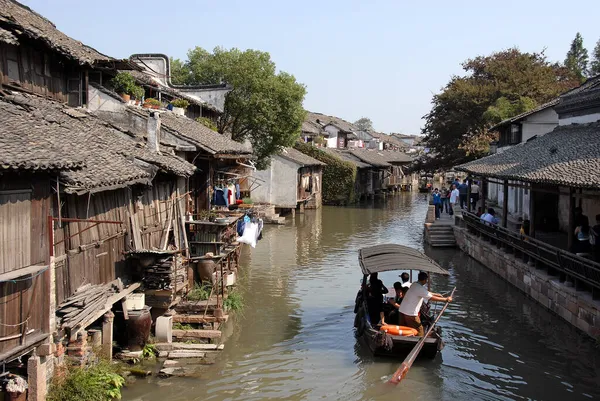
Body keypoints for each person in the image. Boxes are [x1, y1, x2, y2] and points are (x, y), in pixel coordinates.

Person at [398, 272, 452, 336]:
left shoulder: (414, 284)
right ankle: (420, 342)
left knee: (406, 327)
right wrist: (445, 299)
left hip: (402, 310)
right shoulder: (420, 288)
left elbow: (425, 292)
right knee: (420, 330)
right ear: (425, 280)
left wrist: (436, 294)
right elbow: (430, 298)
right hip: (410, 313)